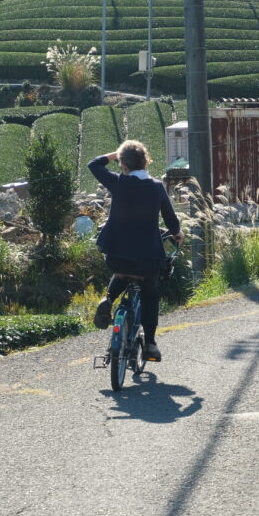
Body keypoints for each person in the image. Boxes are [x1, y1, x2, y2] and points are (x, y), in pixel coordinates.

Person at [87, 140, 183, 362]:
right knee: (150, 293)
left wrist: (115, 154)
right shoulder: (156, 187)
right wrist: (177, 234)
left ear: (124, 165)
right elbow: (171, 222)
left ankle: (108, 300)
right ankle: (149, 344)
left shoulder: (119, 182)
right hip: (147, 257)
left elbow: (93, 165)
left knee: (120, 273)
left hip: (116, 254)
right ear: (145, 161)